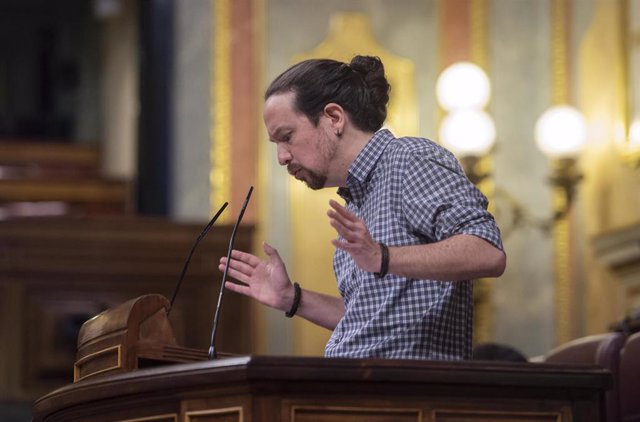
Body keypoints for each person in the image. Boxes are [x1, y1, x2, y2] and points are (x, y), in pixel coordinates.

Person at [219, 55, 506, 360]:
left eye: (286, 137)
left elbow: (488, 252)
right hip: (359, 389)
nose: (282, 158)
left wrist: (382, 256)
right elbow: (368, 321)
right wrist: (292, 298)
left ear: (333, 118)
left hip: (407, 396)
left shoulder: (409, 159)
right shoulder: (355, 202)